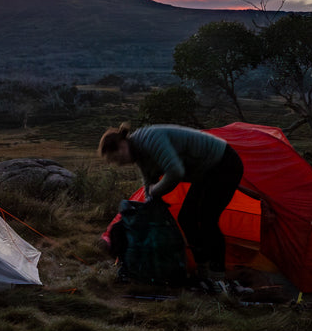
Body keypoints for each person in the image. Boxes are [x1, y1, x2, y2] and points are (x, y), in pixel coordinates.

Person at [99, 123, 243, 290]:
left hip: (225, 163)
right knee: (186, 217)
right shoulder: (140, 154)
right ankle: (202, 271)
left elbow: (175, 172)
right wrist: (148, 207)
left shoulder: (150, 139)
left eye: (117, 158)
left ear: (122, 145)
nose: (120, 163)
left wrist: (154, 191)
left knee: (207, 219)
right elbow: (148, 183)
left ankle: (218, 277)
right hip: (205, 173)